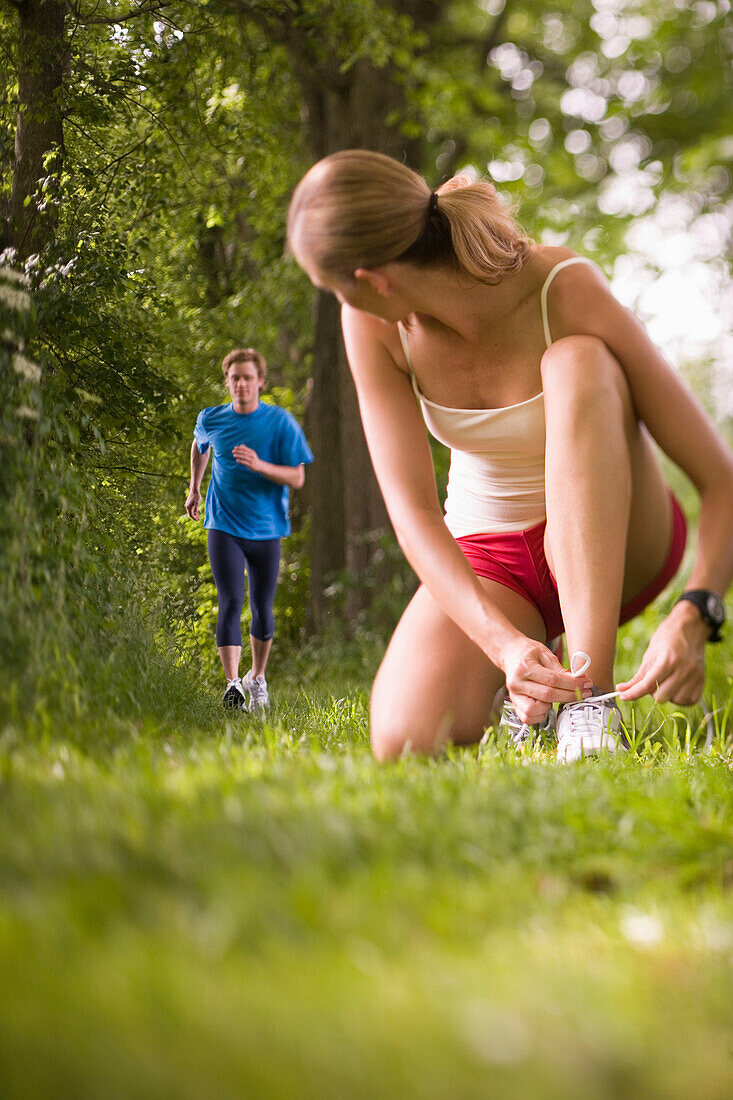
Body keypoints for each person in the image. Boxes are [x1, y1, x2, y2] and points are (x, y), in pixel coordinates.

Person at [287, 150, 733, 761]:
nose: (342, 302)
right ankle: (531, 685)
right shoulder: (370, 326)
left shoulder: (560, 286)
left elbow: (721, 481)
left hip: (623, 540)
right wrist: (503, 646)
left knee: (576, 360)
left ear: (371, 280)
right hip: (496, 556)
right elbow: (414, 512)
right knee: (405, 737)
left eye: (334, 288)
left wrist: (695, 610)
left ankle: (588, 703)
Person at [185, 347, 313, 711]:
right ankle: (231, 686)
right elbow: (199, 444)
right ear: (227, 383)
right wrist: (195, 486)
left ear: (260, 382)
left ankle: (256, 678)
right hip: (223, 524)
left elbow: (297, 476)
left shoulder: (280, 422)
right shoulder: (212, 418)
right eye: (234, 378)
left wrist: (260, 465)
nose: (241, 384)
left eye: (247, 377)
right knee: (230, 601)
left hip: (267, 528)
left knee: (262, 608)